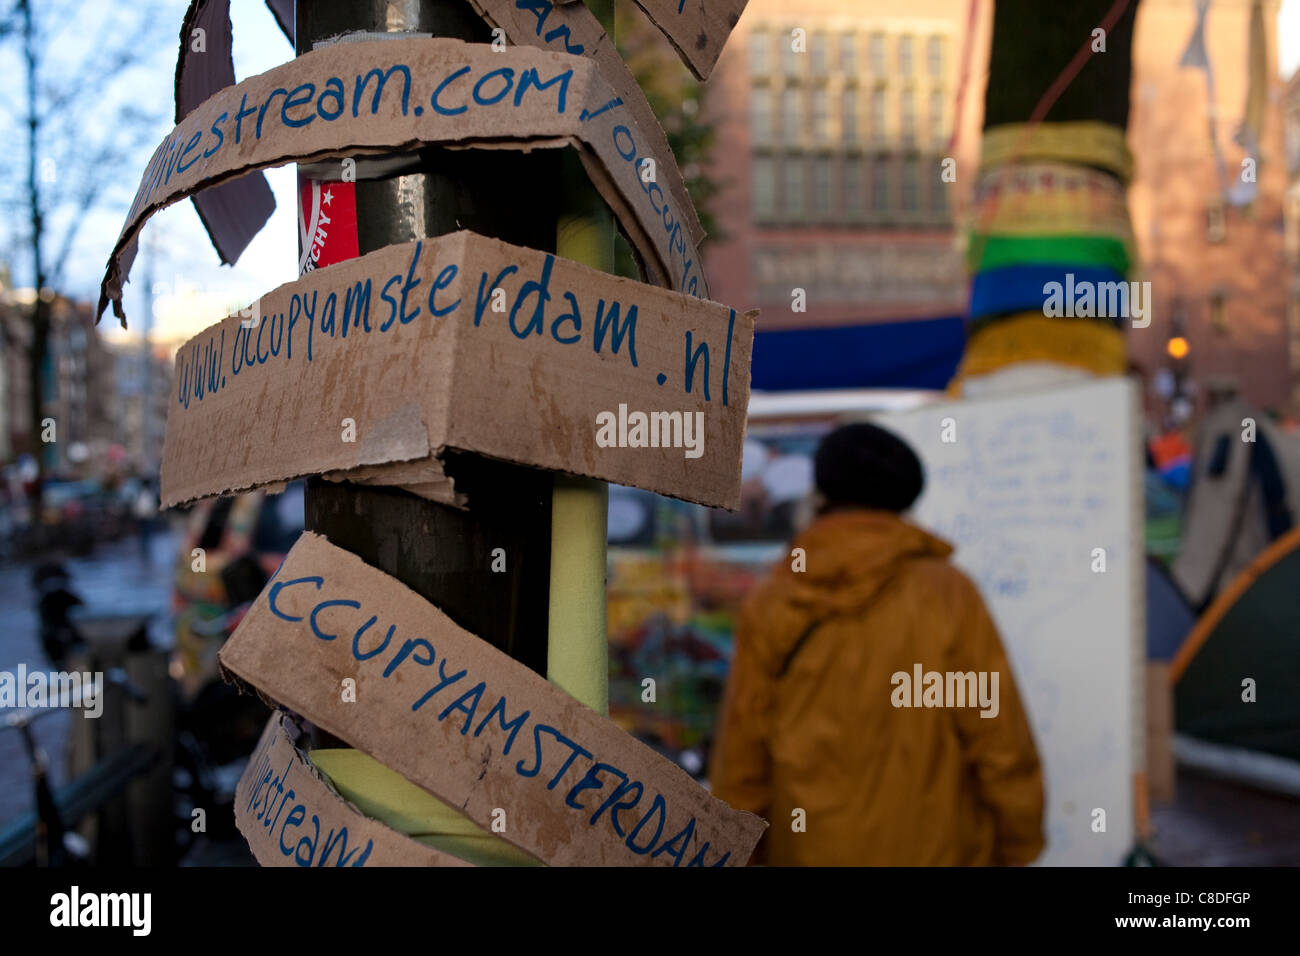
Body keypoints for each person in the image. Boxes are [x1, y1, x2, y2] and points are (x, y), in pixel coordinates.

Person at [711, 422, 1044, 866]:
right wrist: (1020, 842)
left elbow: (743, 754)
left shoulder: (775, 600)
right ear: (904, 502)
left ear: (821, 493)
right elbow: (999, 738)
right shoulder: (948, 593)